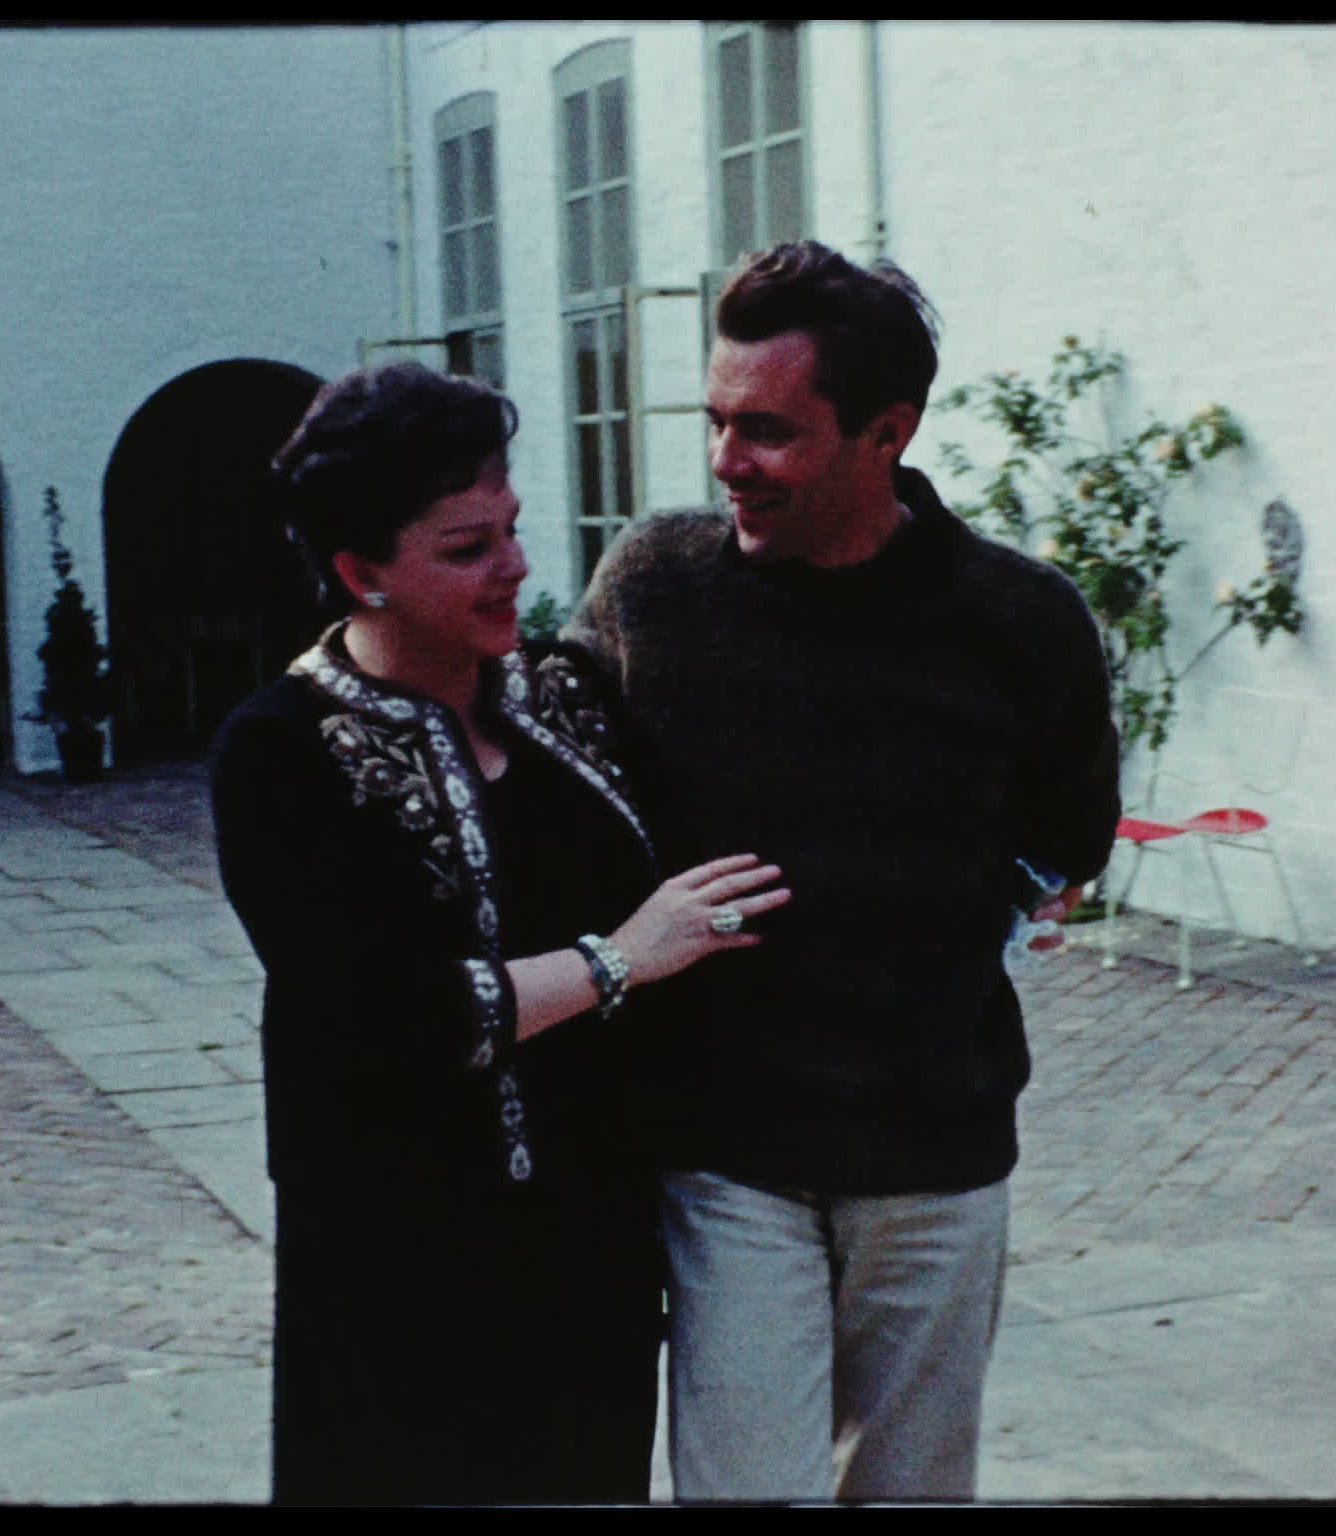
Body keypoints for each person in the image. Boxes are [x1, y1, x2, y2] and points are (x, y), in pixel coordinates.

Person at [565, 242, 1120, 1502]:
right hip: (724, 1152)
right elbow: (549, 781)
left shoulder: (1019, 621)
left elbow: (1067, 840)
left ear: (887, 432)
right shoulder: (653, 588)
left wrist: (949, 928)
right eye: (714, 422)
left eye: (767, 432)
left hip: (935, 1155)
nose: (726, 462)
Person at [208, 362, 791, 1506]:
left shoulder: (566, 698)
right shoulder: (279, 752)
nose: (514, 567)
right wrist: (617, 960)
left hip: (592, 1254)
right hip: (398, 1269)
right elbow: (378, 1017)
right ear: (359, 573)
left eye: (511, 530)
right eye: (466, 548)